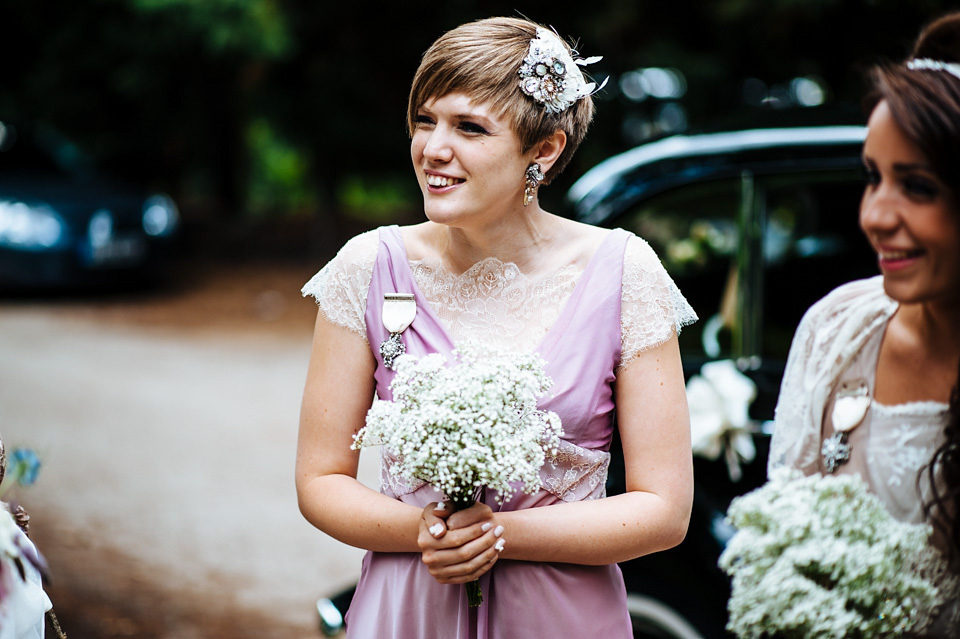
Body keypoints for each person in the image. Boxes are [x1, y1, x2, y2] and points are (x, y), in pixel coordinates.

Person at [295, 16, 697, 638]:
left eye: (469, 127)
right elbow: (320, 480)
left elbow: (663, 510)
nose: (433, 147)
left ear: (545, 148)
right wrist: (426, 532)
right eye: (425, 120)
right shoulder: (368, 267)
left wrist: (498, 535)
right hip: (410, 610)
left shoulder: (624, 273)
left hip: (560, 616)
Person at [768, 11, 960, 635]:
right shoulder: (836, 331)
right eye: (872, 178)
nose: (875, 216)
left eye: (918, 186)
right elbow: (782, 551)